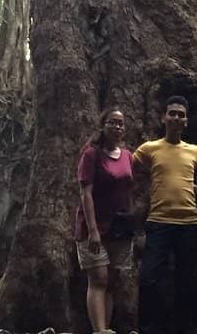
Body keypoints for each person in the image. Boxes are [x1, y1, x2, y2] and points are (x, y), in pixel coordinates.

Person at [133, 95, 197, 334]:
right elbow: (129, 169)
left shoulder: (195, 151)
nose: (176, 117)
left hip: (188, 223)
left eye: (181, 114)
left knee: (187, 281)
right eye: (172, 113)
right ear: (163, 117)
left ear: (186, 121)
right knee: (148, 277)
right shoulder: (150, 148)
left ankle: (184, 327)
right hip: (158, 223)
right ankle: (149, 328)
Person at [75, 107, 135, 334]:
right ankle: (99, 330)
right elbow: (85, 193)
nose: (117, 127)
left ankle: (106, 328)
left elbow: (130, 188)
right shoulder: (91, 154)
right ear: (103, 125)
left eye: (120, 123)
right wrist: (92, 230)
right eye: (112, 122)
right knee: (98, 278)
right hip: (94, 227)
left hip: (120, 228)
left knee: (112, 280)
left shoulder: (128, 155)